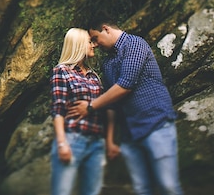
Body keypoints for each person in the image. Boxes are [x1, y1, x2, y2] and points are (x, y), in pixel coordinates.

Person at [67, 17, 184, 195]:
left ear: (106, 29)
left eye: (96, 38)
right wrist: (111, 139)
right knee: (141, 189)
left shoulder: (134, 44)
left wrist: (90, 106)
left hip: (156, 124)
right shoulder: (107, 63)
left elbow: (125, 85)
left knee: (168, 185)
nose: (95, 44)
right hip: (130, 134)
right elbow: (111, 104)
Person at [49, 28, 110, 195]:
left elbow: (104, 106)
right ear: (78, 44)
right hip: (73, 138)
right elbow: (58, 109)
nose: (93, 45)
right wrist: (62, 143)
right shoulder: (62, 71)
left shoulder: (93, 76)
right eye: (89, 42)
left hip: (97, 142)